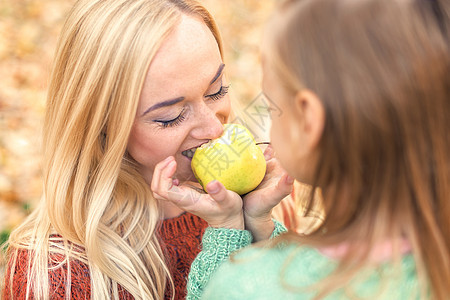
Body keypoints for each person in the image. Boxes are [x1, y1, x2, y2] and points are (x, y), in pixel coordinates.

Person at [154, 0, 450, 299]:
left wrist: (226, 232)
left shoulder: (244, 285)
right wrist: (258, 225)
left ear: (309, 120)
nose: (216, 130)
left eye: (272, 106)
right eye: (169, 116)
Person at [1, 0, 296, 299]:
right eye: (171, 116)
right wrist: (227, 237)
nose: (214, 129)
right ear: (103, 125)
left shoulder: (268, 200)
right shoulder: (56, 276)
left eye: (216, 90)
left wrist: (257, 228)